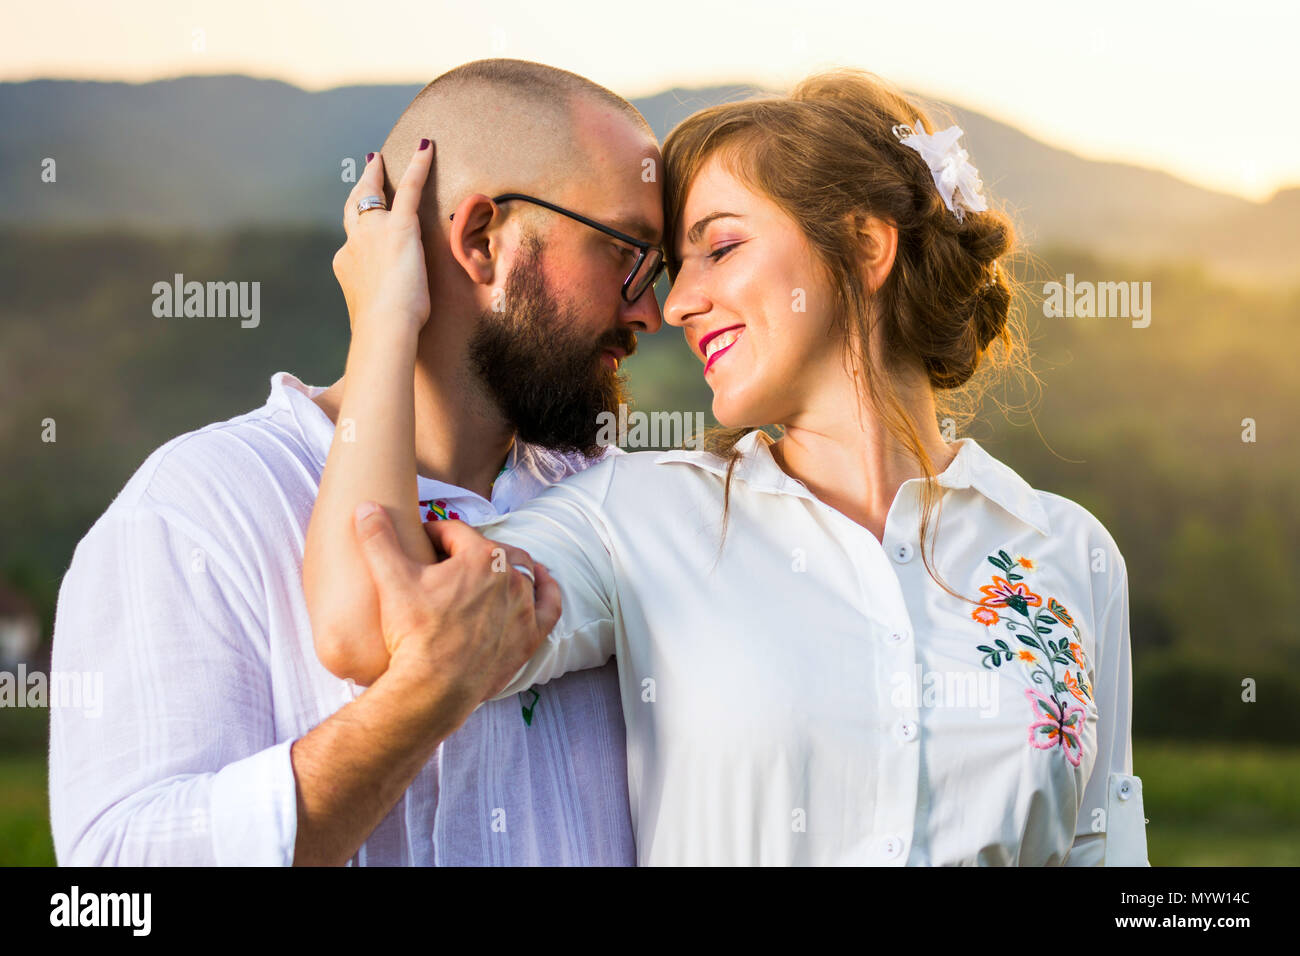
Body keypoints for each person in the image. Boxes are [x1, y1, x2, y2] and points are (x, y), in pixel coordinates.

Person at [310, 67, 1150, 865]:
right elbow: (371, 626)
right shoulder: (634, 518)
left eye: (720, 248)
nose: (674, 304)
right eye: (677, 267)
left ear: (863, 246)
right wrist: (387, 318)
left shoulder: (1072, 553)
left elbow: (1103, 851)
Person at [48, 58, 663, 865]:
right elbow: (116, 881)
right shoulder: (197, 508)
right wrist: (418, 701)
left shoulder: (626, 504)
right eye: (627, 253)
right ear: (482, 239)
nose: (651, 310)